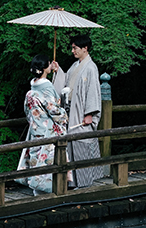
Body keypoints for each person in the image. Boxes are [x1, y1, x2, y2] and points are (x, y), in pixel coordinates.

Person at [15, 54, 69, 194]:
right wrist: (64, 114)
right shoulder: (46, 87)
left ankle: (35, 192)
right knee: (48, 162)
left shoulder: (32, 89)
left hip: (35, 128)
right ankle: (48, 193)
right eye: (49, 64)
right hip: (47, 130)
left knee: (35, 159)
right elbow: (54, 109)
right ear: (45, 68)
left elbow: (28, 110)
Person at [63, 34, 105, 188]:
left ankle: (86, 181)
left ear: (85, 48)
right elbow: (65, 81)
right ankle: (72, 180)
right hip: (72, 110)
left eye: (75, 48)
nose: (73, 51)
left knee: (83, 145)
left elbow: (93, 91)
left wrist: (90, 113)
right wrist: (56, 70)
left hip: (82, 113)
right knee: (71, 145)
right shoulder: (75, 66)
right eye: (72, 48)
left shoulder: (91, 68)